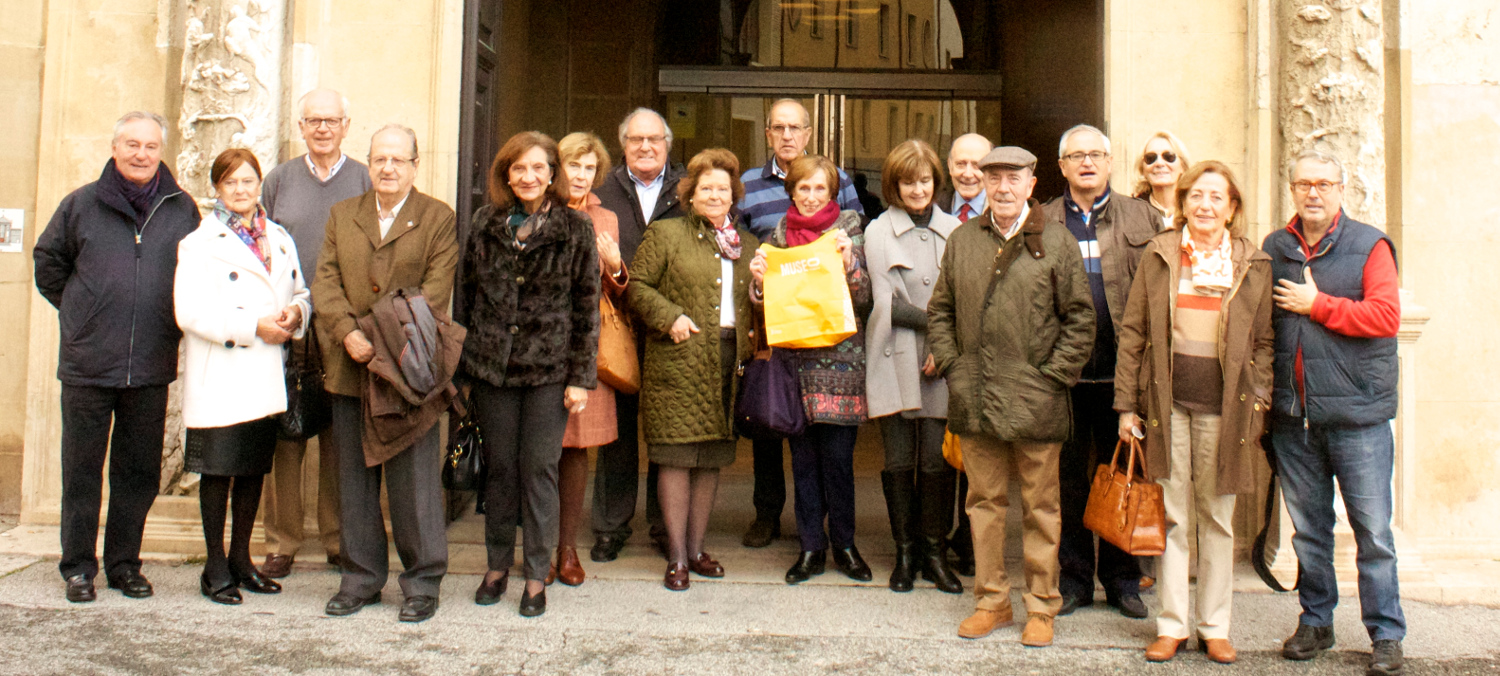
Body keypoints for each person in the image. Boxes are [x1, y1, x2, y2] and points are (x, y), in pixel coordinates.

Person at [927, 146, 1094, 646]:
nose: (1001, 188)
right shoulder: (962, 241)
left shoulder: (1058, 242)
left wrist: (1051, 378)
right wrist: (955, 369)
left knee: (1042, 508)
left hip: (1036, 401)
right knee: (984, 504)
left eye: (1012, 178)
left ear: (1030, 183)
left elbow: (1081, 320)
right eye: (992, 177)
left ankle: (1041, 606)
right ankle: (992, 601)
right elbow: (940, 312)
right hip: (976, 398)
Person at [34, 111, 200, 604]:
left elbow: (194, 277)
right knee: (82, 471)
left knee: (137, 474)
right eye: (131, 144)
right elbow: (49, 263)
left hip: (149, 364)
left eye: (150, 146)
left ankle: (124, 564)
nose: (140, 154)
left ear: (161, 151)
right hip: (88, 364)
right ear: (115, 147)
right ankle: (78, 568)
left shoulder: (181, 209)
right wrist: (82, 312)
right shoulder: (81, 204)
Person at [1114, 161, 1273, 664]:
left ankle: (1215, 627)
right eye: (1196, 196)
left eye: (1216, 197)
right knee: (1174, 516)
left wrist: (1261, 395)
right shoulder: (1161, 255)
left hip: (1226, 411)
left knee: (1218, 518)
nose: (1205, 205)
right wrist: (1126, 405)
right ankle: (1172, 625)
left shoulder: (1254, 263)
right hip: (1168, 406)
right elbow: (1134, 334)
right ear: (1182, 203)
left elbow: (1265, 340)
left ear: (1232, 208)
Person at [1266, 150, 1405, 676]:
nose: (1313, 193)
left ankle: (1386, 634)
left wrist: (1316, 304)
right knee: (1309, 531)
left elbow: (1386, 315)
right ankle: (1316, 620)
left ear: (1342, 189)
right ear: (1293, 189)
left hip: (1359, 418)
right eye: (1303, 183)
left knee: (1373, 533)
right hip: (1294, 417)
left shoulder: (1369, 244)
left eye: (1323, 183)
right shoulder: (1275, 247)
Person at [313, 124, 459, 623]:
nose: (388, 168)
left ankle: (422, 583)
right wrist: (345, 332)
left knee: (414, 485)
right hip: (349, 370)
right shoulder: (342, 215)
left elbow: (433, 296)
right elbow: (325, 282)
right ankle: (360, 580)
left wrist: (374, 339)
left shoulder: (437, 218)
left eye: (399, 159)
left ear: (415, 165)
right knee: (354, 481)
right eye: (380, 159)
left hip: (408, 371)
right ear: (368, 163)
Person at [458, 132, 600, 618]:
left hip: (549, 372)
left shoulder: (575, 228)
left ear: (552, 174)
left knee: (538, 470)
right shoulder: (484, 222)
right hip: (492, 370)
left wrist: (580, 377)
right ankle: (497, 565)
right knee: (500, 471)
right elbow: (468, 296)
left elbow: (586, 309)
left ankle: (536, 574)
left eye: (538, 168)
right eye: (519, 168)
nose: (528, 177)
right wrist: (464, 369)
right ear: (505, 173)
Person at [175, 148, 311, 604]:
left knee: (253, 472)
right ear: (217, 188)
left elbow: (301, 290)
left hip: (266, 374)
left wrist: (296, 313)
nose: (240, 189)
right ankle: (214, 567)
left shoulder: (280, 237)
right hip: (223, 373)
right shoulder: (199, 242)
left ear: (259, 185)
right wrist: (254, 327)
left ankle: (241, 559)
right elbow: (189, 311)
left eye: (248, 180)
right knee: (218, 473)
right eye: (230, 182)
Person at [1041, 124, 1160, 619]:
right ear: (1063, 166)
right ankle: (1072, 581)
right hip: (1064, 376)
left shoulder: (1142, 215)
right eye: (1076, 156)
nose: (1087, 163)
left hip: (1123, 377)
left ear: (1110, 163)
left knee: (1122, 478)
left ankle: (1122, 580)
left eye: (1096, 154)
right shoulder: (1042, 218)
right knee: (1066, 482)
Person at [736, 98, 865, 549]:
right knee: (793, 452)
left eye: (818, 190)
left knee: (837, 462)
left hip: (838, 364)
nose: (810, 197)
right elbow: (755, 287)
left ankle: (843, 543)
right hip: (789, 358)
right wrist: (756, 284)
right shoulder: (763, 213)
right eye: (802, 190)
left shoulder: (847, 220)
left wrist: (850, 266)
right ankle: (794, 534)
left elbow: (862, 292)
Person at [629, 148, 760, 591]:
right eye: (706, 188)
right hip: (678, 357)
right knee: (677, 455)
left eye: (723, 188)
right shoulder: (666, 234)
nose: (715, 195)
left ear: (734, 195)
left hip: (728, 359)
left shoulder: (749, 246)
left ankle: (699, 547)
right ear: (690, 193)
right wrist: (670, 318)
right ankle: (678, 557)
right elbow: (637, 287)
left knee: (711, 459)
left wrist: (760, 294)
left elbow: (754, 305)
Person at [256, 88, 371, 578]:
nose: (322, 128)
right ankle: (281, 540)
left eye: (331, 120)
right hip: (289, 325)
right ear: (300, 127)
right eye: (313, 121)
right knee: (286, 436)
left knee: (338, 437)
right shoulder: (279, 179)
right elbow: (255, 243)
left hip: (342, 324)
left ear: (347, 125)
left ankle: (337, 537)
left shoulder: (365, 177)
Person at [862, 139, 963, 594]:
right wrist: (939, 323)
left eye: (925, 180)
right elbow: (887, 302)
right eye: (908, 181)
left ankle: (935, 553)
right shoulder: (877, 230)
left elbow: (966, 300)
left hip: (942, 359)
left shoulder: (960, 230)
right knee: (900, 459)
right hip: (894, 353)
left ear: (936, 183)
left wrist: (943, 344)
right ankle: (904, 554)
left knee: (937, 463)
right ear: (894, 185)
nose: (918, 189)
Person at [591, 108, 684, 563]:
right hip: (619, 325)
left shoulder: (687, 188)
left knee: (668, 430)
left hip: (673, 324)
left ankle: (666, 524)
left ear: (667, 143)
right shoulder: (601, 191)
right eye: (635, 139)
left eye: (654, 139)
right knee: (617, 429)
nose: (645, 147)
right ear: (622, 144)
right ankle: (611, 524)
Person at [547, 132, 625, 587]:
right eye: (573, 166)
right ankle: (538, 546)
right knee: (538, 451)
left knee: (575, 452)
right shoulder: (539, 209)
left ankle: (567, 548)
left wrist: (616, 266)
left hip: (584, 348)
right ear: (558, 167)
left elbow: (615, 291)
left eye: (589, 168)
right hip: (538, 347)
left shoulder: (606, 217)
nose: (580, 175)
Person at [936, 131, 993, 577]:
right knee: (949, 453)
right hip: (942, 353)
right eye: (960, 163)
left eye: (979, 164)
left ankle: (975, 546)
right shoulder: (931, 207)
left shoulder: (1014, 212)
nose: (969, 172)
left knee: (982, 457)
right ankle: (943, 540)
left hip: (992, 354)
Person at [1132, 131, 1192, 231]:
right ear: (1142, 169)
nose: (1159, 163)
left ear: (1183, 166)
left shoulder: (1195, 210)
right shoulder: (1130, 213)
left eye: (1169, 157)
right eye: (1150, 158)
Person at [937, 132, 993, 221]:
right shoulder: (933, 206)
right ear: (950, 166)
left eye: (977, 166)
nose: (968, 174)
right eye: (960, 164)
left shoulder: (1003, 210)